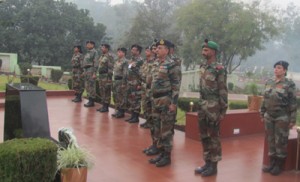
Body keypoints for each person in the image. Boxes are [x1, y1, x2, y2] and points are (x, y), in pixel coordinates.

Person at [194, 39, 228, 176]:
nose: (203, 52)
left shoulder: (219, 69)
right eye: (203, 49)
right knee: (204, 136)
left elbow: (223, 90)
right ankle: (207, 162)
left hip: (213, 107)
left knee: (213, 137)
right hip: (203, 105)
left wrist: (223, 109)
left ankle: (213, 166)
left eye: (206, 50)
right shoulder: (203, 66)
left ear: (213, 52)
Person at [147, 39, 181, 167]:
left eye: (161, 48)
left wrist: (174, 103)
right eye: (157, 48)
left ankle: (167, 156)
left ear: (167, 50)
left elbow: (176, 85)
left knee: (166, 130)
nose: (158, 50)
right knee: (157, 128)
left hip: (166, 100)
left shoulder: (171, 64)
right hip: (155, 100)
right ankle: (161, 153)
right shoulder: (155, 63)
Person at [260, 60, 297, 176]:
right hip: (269, 116)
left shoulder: (289, 84)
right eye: (275, 67)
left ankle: (279, 165)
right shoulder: (270, 82)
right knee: (271, 140)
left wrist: (292, 120)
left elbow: (293, 103)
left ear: (284, 70)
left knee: (280, 141)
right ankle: (272, 163)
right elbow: (264, 99)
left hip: (282, 117)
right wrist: (262, 113)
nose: (276, 69)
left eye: (279, 68)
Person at [124, 44, 144, 123]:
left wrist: (139, 83)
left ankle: (136, 117)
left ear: (138, 51)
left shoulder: (140, 60)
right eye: (132, 49)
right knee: (131, 99)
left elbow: (141, 73)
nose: (132, 51)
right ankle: (132, 115)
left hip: (136, 82)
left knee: (136, 99)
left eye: (134, 50)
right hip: (130, 82)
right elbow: (128, 70)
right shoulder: (131, 60)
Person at [140, 46, 155, 128]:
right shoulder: (145, 62)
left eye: (148, 51)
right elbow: (142, 73)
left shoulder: (154, 62)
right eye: (145, 50)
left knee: (150, 105)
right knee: (145, 104)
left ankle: (151, 122)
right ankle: (147, 120)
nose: (146, 52)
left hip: (150, 87)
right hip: (144, 86)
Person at [96, 44, 114, 112]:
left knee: (106, 91)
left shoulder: (109, 56)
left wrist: (109, 78)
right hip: (101, 76)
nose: (102, 49)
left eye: (103, 48)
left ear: (107, 49)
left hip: (106, 76)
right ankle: (103, 105)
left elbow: (110, 67)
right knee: (102, 91)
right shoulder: (102, 56)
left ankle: (106, 107)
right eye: (101, 47)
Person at [112, 47, 128, 118]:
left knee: (121, 96)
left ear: (124, 53)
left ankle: (121, 112)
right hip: (116, 80)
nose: (118, 53)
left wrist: (124, 83)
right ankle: (118, 110)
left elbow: (125, 73)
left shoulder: (125, 61)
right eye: (118, 52)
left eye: (120, 52)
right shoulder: (117, 61)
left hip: (121, 80)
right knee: (116, 96)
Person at [82, 40, 99, 107]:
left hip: (91, 70)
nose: (87, 45)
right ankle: (89, 99)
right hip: (86, 70)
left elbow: (96, 63)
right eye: (87, 44)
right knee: (87, 86)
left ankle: (92, 101)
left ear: (92, 45)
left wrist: (94, 73)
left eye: (89, 44)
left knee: (91, 86)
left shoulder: (94, 52)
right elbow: (85, 63)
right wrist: (84, 71)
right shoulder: (87, 53)